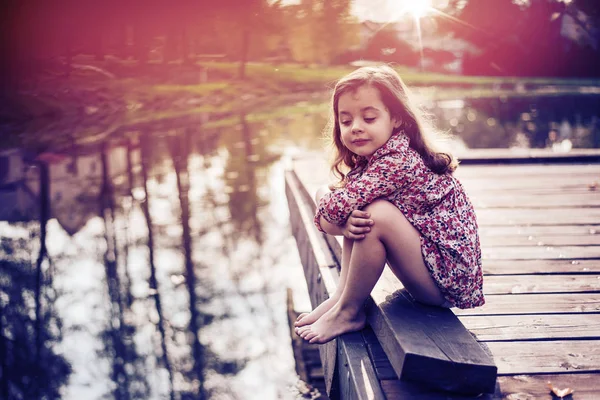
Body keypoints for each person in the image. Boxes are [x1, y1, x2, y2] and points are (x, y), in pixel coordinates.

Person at [294, 65, 484, 345]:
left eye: (369, 117)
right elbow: (332, 218)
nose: (356, 127)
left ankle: (348, 312)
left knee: (374, 215)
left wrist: (329, 203)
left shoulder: (397, 162)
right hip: (433, 270)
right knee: (360, 212)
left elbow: (331, 213)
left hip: (444, 283)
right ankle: (341, 298)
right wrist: (341, 217)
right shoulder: (382, 155)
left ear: (396, 119)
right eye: (346, 121)